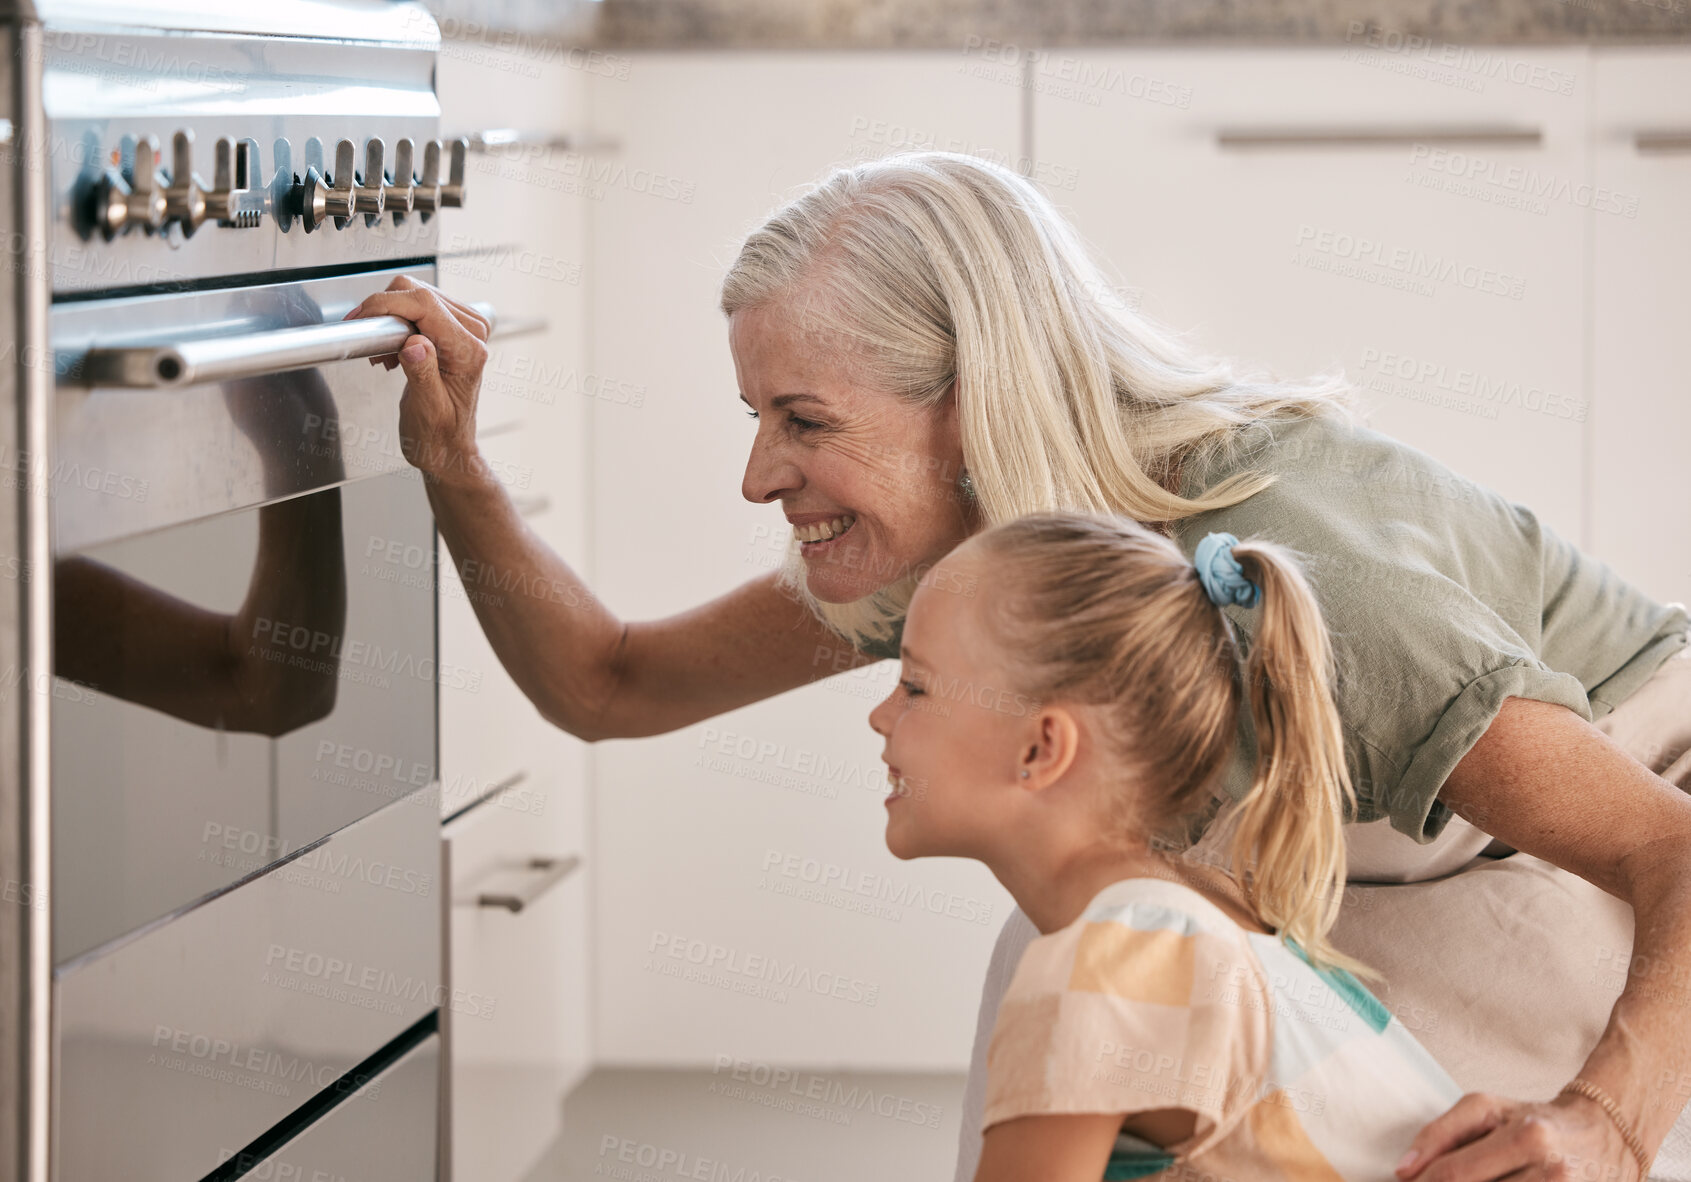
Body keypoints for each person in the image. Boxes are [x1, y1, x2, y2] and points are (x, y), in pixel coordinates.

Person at [347, 149, 1691, 1181]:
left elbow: (1664, 848)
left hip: (1593, 846)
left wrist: (1607, 1120)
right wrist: (456, 471)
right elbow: (611, 686)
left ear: (971, 409)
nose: (758, 473)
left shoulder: (1313, 576)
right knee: (1083, 950)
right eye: (755, 413)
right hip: (1380, 838)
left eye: (802, 420)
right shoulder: (975, 554)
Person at [868, 510, 1464, 1180]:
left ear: (1041, 747)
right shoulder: (1204, 935)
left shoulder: (1114, 960)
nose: (878, 716)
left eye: (914, 686)